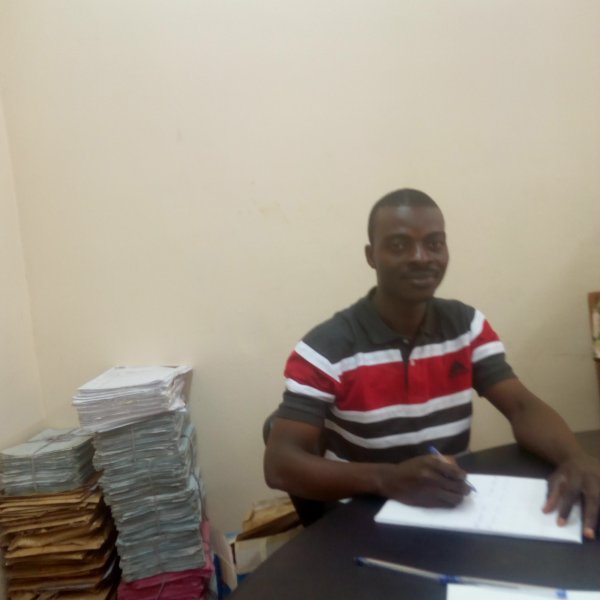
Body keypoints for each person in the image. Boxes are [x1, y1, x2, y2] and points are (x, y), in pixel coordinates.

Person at [264, 188, 600, 539]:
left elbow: (521, 406)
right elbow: (280, 463)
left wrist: (574, 457)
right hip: (364, 516)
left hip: (453, 507)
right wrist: (387, 479)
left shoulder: (466, 326)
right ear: (371, 256)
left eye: (434, 244)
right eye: (399, 245)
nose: (421, 257)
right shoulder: (327, 347)